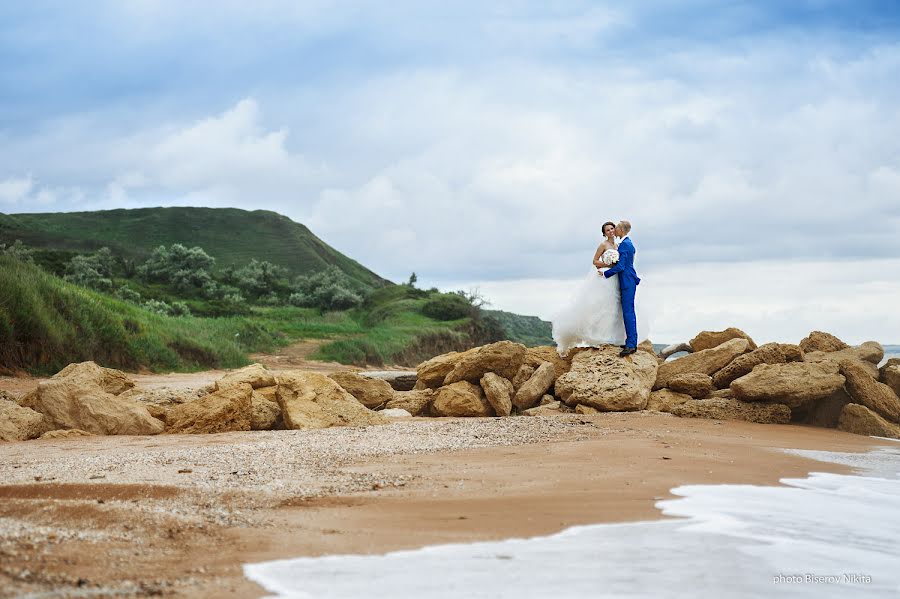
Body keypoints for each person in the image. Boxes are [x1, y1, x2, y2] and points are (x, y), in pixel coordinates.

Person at [551, 221, 628, 356]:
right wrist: (608, 264)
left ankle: (612, 336)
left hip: (615, 278)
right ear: (604, 233)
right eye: (607, 230)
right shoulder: (603, 245)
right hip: (604, 277)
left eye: (612, 228)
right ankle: (598, 337)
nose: (610, 231)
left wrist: (615, 266)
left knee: (614, 307)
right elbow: (595, 261)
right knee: (602, 305)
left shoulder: (618, 245)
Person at [602, 220, 641, 357]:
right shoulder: (627, 243)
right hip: (627, 279)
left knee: (628, 313)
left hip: (627, 281)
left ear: (622, 230)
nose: (615, 230)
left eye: (617, 228)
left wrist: (605, 273)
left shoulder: (625, 245)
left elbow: (621, 266)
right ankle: (631, 341)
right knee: (627, 312)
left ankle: (631, 345)